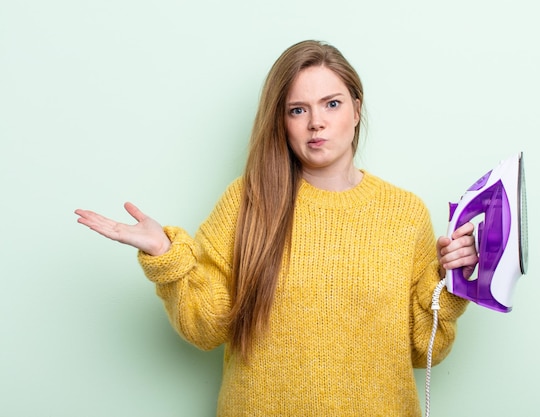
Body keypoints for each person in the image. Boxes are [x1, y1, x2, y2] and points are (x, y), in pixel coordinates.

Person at [75, 40, 478, 417]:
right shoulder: (248, 201)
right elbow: (205, 327)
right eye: (298, 110)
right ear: (281, 121)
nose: (316, 122)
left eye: (332, 104)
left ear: (356, 110)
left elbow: (423, 349)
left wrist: (450, 279)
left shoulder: (405, 214)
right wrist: (167, 256)